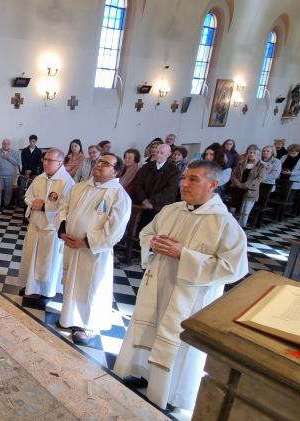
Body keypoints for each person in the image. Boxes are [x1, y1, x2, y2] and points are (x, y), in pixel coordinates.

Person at [114, 160, 248, 412]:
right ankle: (143, 372)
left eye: (193, 179)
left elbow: (234, 268)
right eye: (184, 178)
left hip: (189, 297)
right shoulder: (172, 210)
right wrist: (153, 242)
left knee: (176, 342)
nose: (184, 184)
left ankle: (169, 395)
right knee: (149, 330)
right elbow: (146, 233)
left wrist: (183, 254)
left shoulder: (224, 223)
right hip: (158, 285)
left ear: (213, 184)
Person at [55, 153, 131, 344]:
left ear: (116, 171)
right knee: (71, 283)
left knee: (91, 288)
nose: (99, 165)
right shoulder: (79, 187)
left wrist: (86, 242)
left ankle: (90, 326)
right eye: (99, 162)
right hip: (71, 245)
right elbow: (63, 208)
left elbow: (115, 229)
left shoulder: (119, 195)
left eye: (106, 164)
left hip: (93, 251)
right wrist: (63, 229)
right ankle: (70, 318)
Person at [18, 148, 75, 308]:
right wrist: (32, 203)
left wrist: (46, 207)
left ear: (59, 162)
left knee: (47, 263)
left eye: (49, 160)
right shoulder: (40, 178)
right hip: (35, 225)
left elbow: (67, 207)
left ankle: (46, 292)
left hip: (51, 230)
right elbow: (28, 195)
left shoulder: (67, 182)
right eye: (44, 159)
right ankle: (31, 287)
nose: (45, 163)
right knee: (31, 258)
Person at [132, 144, 180, 230]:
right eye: (157, 152)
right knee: (139, 231)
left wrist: (151, 201)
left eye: (162, 153)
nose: (158, 155)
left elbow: (170, 190)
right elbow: (138, 184)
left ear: (168, 154)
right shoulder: (146, 166)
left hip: (160, 208)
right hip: (143, 206)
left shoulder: (174, 170)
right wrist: (144, 199)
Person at [230, 145, 268, 226]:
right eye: (250, 152)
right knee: (233, 210)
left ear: (258, 154)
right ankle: (231, 227)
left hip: (250, 191)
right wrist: (238, 184)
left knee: (244, 212)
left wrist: (245, 185)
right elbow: (233, 174)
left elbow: (259, 179)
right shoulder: (241, 163)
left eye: (254, 153)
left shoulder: (262, 165)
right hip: (238, 190)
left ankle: (241, 228)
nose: (251, 154)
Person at [0, 138, 20, 210]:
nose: (5, 145)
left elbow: (17, 163)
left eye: (7, 144)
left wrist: (8, 157)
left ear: (9, 145)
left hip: (9, 175)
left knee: (8, 190)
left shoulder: (14, 153)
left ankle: (6, 204)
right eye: (4, 144)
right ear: (2, 144)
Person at [19, 134, 43, 200]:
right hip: (24, 172)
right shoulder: (24, 151)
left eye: (33, 141)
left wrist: (31, 170)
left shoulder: (39, 151)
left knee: (31, 188)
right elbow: (23, 161)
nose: (32, 143)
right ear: (29, 141)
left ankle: (29, 202)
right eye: (31, 141)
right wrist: (26, 171)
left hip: (34, 172)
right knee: (21, 187)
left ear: (36, 142)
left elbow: (38, 163)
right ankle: (20, 202)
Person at [280, 144, 300, 214]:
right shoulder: (284, 156)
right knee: (281, 194)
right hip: (282, 178)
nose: (291, 154)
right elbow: (279, 165)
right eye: (290, 152)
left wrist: (291, 173)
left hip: (294, 181)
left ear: (298, 152)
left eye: (294, 152)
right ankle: (279, 209)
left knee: (289, 195)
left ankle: (287, 210)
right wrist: (281, 170)